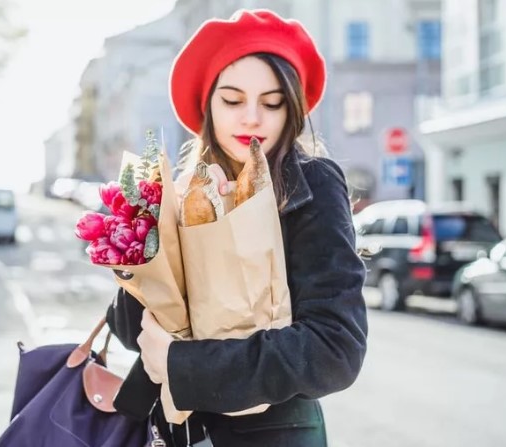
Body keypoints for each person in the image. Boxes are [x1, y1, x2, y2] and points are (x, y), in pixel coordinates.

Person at [106, 9, 368, 447]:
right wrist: (140, 243)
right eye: (232, 100)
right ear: (207, 104)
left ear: (293, 108)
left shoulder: (312, 184)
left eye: (271, 102)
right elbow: (131, 326)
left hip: (272, 435)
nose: (252, 118)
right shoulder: (180, 189)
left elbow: (335, 349)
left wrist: (183, 365)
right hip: (174, 431)